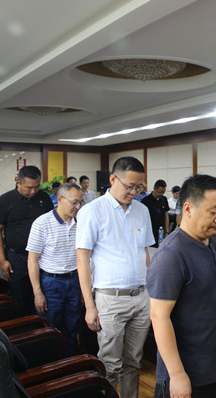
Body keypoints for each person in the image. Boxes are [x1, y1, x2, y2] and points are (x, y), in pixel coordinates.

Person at [147, 174, 216, 398]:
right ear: (188, 209)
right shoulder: (171, 255)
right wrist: (177, 374)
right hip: (187, 373)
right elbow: (159, 316)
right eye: (213, 212)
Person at [76, 156, 154, 395]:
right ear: (112, 179)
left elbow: (145, 253)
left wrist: (152, 293)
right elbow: (82, 260)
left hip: (141, 297)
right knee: (109, 365)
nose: (134, 192)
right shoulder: (92, 211)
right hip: (110, 299)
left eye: (139, 187)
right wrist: (90, 306)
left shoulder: (142, 210)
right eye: (129, 186)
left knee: (134, 362)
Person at [27, 183, 83, 357]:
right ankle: (52, 365)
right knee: (51, 328)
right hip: (51, 283)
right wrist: (37, 293)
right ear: (60, 199)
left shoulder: (81, 222)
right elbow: (32, 260)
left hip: (75, 280)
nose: (78, 207)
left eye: (80, 203)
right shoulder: (42, 223)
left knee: (73, 326)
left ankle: (72, 363)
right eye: (74, 202)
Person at [0, 165, 54, 316]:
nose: (33, 191)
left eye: (36, 187)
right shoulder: (5, 200)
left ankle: (42, 325)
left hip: (42, 257)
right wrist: (2, 260)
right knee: (20, 295)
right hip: (17, 257)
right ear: (18, 182)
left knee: (42, 295)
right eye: (29, 187)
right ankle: (24, 325)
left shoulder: (44, 198)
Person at [141, 179, 170, 247]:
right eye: (159, 192)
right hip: (150, 233)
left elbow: (166, 215)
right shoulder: (145, 201)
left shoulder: (164, 199)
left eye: (163, 192)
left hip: (161, 232)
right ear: (154, 189)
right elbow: (142, 219)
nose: (161, 194)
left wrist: (167, 232)